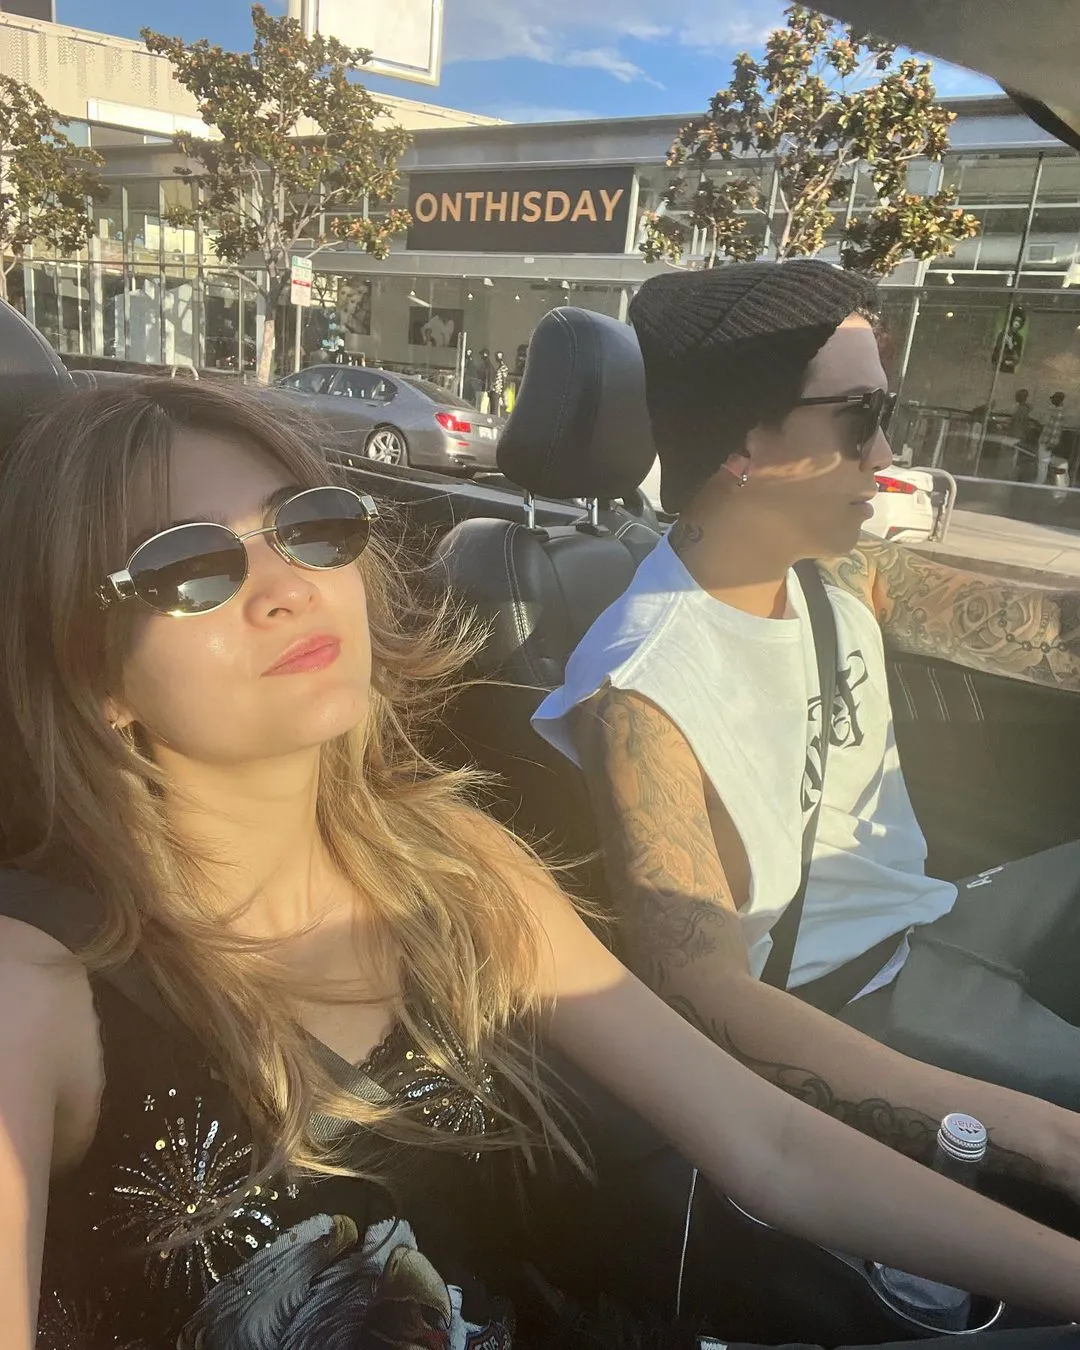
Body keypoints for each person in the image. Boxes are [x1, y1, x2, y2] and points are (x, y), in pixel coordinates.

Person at [4, 383, 1080, 1350]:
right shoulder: (35, 994)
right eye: (188, 566)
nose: (285, 585)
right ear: (90, 671)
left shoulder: (452, 864)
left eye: (312, 527)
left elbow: (769, 1143)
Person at [532, 260, 1080, 1222]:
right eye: (861, 418)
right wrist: (1039, 1137)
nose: (889, 452)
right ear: (746, 441)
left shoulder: (833, 575)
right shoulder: (642, 691)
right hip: (856, 1007)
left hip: (941, 918)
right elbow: (705, 1000)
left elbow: (1037, 624)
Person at [1037, 391, 1068, 485]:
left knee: (1043, 464)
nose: (1052, 401)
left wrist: (1051, 443)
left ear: (1058, 400)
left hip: (1047, 442)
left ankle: (1039, 483)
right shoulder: (1056, 411)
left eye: (1054, 399)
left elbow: (1055, 430)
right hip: (1046, 441)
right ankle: (1040, 482)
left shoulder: (1058, 413)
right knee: (1042, 463)